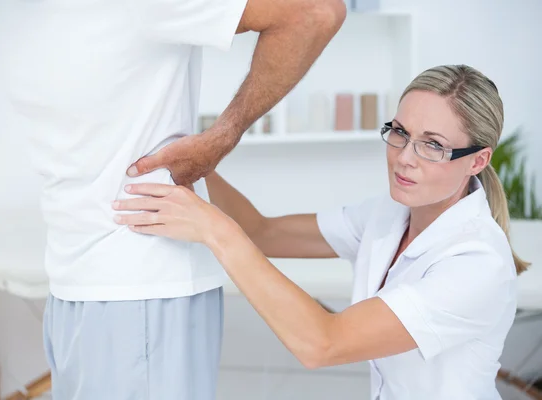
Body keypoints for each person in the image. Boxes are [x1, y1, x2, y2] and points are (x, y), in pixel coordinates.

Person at [114, 64, 529, 399]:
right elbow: (263, 232)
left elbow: (322, 343)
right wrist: (195, 157)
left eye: (432, 145)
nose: (405, 158)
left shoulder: (476, 265)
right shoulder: (389, 214)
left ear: (477, 161)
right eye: (400, 133)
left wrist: (213, 230)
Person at [0, 0, 346, 398]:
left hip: (139, 287)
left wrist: (221, 137)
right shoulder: (18, 14)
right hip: (70, 286)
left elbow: (314, 12)